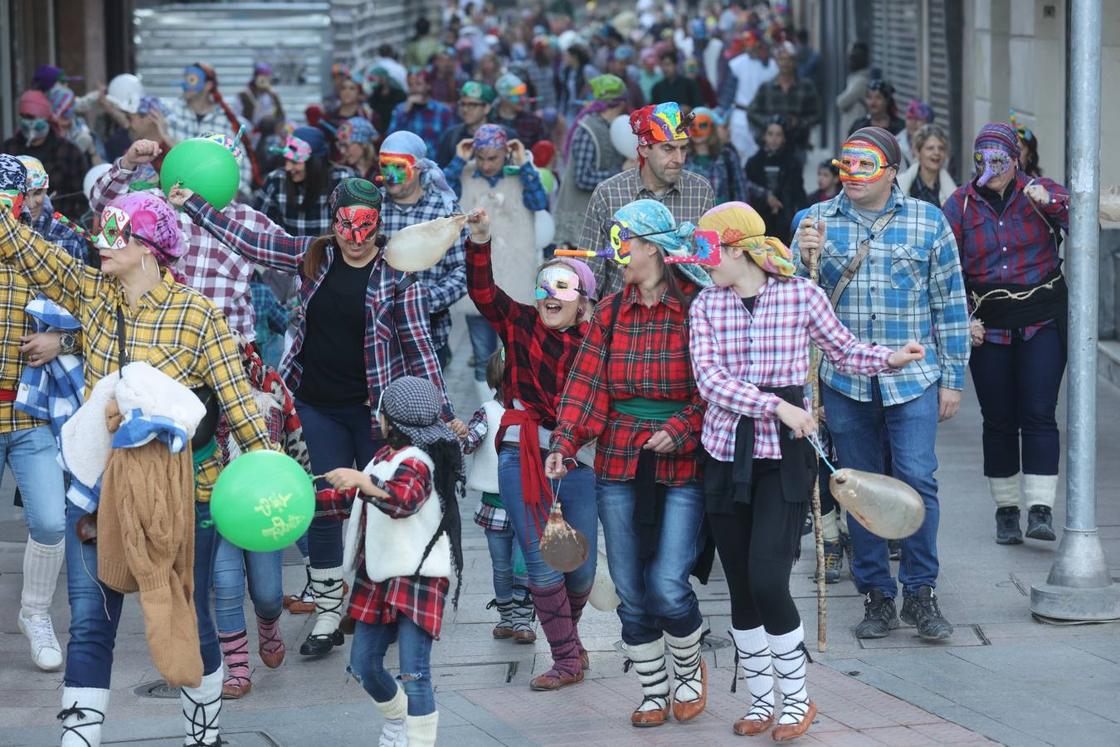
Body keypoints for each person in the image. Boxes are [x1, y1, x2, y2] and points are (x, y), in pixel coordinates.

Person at [2, 187, 271, 746]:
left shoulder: (198, 315)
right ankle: (78, 740)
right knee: (90, 623)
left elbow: (241, 405)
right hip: (99, 495)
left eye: (113, 234)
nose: (100, 242)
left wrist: (272, 476)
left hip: (186, 498)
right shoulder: (92, 293)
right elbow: (28, 249)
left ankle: (205, 735)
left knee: (189, 620)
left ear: (148, 248)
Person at [169, 177, 462, 659]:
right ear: (334, 221)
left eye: (364, 226)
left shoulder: (399, 276)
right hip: (313, 401)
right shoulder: (315, 256)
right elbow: (255, 242)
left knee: (378, 503)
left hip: (374, 412)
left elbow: (420, 350)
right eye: (345, 224)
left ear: (378, 225)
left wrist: (441, 414)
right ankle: (328, 611)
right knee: (321, 503)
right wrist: (195, 204)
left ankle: (379, 602)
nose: (353, 235)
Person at [691, 200, 925, 741]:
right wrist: (776, 405)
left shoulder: (800, 294)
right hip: (725, 453)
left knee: (770, 576)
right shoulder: (705, 305)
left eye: (709, 251)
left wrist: (890, 358)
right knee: (742, 587)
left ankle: (795, 700)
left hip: (785, 458)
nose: (703, 263)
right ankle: (758, 699)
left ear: (738, 248)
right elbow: (710, 382)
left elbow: (842, 350)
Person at [792, 127, 970, 643]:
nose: (851, 176)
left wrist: (952, 380)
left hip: (912, 378)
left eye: (864, 166)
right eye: (845, 165)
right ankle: (876, 595)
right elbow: (793, 305)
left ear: (892, 170)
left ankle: (920, 590)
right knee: (858, 487)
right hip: (844, 380)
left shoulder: (928, 221)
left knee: (919, 479)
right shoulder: (814, 221)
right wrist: (803, 259)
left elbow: (950, 305)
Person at [547, 199, 709, 728]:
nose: (619, 254)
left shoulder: (697, 309)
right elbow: (585, 386)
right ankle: (653, 690)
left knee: (667, 582)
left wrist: (681, 428)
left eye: (628, 244)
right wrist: (563, 444)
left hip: (682, 462)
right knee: (630, 588)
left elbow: (716, 387)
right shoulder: (611, 313)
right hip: (618, 460)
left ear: (654, 250)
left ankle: (688, 670)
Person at [467, 209, 601, 693]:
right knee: (542, 561)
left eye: (562, 289)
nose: (549, 297)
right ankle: (565, 657)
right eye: (544, 286)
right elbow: (483, 294)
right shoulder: (520, 323)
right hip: (520, 452)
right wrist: (479, 242)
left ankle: (571, 638)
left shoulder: (598, 340)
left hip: (581, 461)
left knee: (581, 568)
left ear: (584, 302)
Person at [941, 122, 1069, 545]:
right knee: (998, 419)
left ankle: (1041, 509)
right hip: (988, 324)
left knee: (1038, 411)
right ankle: (1007, 511)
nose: (990, 167)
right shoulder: (959, 205)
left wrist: (1050, 203)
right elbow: (945, 270)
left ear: (1016, 160)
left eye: (998, 159)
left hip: (1041, 319)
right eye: (982, 159)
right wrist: (963, 320)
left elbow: (1080, 220)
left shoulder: (1039, 191)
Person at [320, 376, 464, 747]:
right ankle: (399, 720)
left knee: (415, 673)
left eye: (379, 412)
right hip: (379, 576)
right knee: (364, 665)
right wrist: (299, 504)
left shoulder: (417, 461)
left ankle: (417, 740)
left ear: (389, 420)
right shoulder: (383, 458)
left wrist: (363, 482)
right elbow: (352, 501)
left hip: (419, 577)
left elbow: (403, 500)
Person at [0, 156, 72, 676]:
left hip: (28, 415)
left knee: (50, 520)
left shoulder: (40, 252)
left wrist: (60, 338)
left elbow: (96, 311)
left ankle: (35, 613)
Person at [445, 125, 548, 400]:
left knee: (515, 352)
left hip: (514, 279)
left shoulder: (521, 176)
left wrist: (524, 164)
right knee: (481, 356)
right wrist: (458, 159)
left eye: (494, 158)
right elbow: (442, 195)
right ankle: (488, 417)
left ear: (505, 153)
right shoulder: (464, 175)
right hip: (478, 277)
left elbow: (539, 201)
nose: (487, 164)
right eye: (480, 157)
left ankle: (514, 410)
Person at [580, 102, 716, 298]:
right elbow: (590, 274)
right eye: (668, 149)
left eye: (683, 149)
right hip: (621, 318)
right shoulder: (609, 193)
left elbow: (709, 266)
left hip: (682, 317)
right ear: (644, 149)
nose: (679, 159)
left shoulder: (700, 190)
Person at [461, 349, 534, 645]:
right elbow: (470, 441)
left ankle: (523, 618)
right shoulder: (488, 412)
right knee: (501, 565)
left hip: (527, 505)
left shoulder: (534, 412)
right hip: (495, 507)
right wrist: (458, 433)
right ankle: (506, 615)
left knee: (523, 564)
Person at [377, 130, 469, 366]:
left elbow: (463, 269)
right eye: (384, 166)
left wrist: (427, 301)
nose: (391, 175)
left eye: (399, 167)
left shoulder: (444, 210)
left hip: (427, 336)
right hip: (375, 337)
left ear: (418, 167)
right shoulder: (371, 207)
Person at [554, 74, 630, 248]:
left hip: (598, 220)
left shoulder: (609, 127)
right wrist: (620, 171)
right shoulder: (588, 131)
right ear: (620, 103)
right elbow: (582, 178)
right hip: (581, 222)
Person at [161, 63, 257, 192]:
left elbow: (242, 166)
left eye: (192, 79)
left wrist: (233, 194)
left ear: (208, 86)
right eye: (185, 79)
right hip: (176, 193)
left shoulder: (225, 121)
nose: (185, 84)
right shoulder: (170, 113)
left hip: (214, 198)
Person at [255, 126, 356, 237]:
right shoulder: (277, 180)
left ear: (315, 162)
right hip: (289, 253)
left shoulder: (343, 180)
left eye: (295, 162)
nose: (288, 168)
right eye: (287, 160)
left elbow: (356, 226)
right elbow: (257, 225)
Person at [3, 90, 88, 220]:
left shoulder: (70, 152)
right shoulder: (7, 150)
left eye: (33, 117)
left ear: (47, 118)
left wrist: (69, 225)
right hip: (14, 228)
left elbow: (82, 198)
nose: (29, 122)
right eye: (25, 117)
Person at [746, 41, 822, 158]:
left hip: (797, 144)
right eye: (782, 59)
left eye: (789, 59)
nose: (785, 63)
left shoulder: (806, 86)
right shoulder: (766, 87)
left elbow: (817, 114)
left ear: (795, 62)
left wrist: (800, 123)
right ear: (776, 62)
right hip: (771, 146)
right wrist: (769, 122)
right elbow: (752, 112)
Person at [16, 155, 91, 262]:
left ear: (46, 191)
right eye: (23, 195)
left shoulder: (68, 235)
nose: (31, 204)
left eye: (38, 193)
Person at [744, 116, 805, 245]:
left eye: (778, 135)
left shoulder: (792, 163)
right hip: (758, 220)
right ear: (764, 136)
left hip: (785, 221)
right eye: (770, 134)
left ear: (784, 139)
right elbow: (746, 187)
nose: (774, 139)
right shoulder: (753, 162)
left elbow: (798, 192)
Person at [724, 33, 777, 165]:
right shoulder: (736, 64)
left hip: (762, 116)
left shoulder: (772, 65)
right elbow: (728, 92)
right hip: (740, 115)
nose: (752, 48)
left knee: (760, 153)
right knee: (739, 154)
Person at [435, 81, 510, 168]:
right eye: (462, 104)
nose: (465, 109)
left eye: (472, 105)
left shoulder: (504, 135)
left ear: (487, 108)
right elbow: (441, 174)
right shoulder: (451, 136)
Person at [684, 107, 750, 205]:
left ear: (712, 128)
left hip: (723, 216)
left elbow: (740, 188)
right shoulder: (682, 157)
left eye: (703, 125)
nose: (697, 130)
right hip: (691, 216)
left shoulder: (727, 155)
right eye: (692, 125)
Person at [387, 70, 456, 160]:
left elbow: (451, 141)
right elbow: (390, 140)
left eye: (418, 84)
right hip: (407, 166)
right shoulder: (400, 109)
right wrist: (405, 113)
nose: (414, 88)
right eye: (411, 85)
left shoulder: (442, 111)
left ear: (428, 86)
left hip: (435, 165)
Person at [897, 124, 957, 207]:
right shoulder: (899, 185)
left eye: (941, 148)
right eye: (930, 148)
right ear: (917, 152)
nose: (937, 153)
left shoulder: (955, 191)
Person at [491, 73, 547, 149]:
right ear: (503, 97)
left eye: (523, 95)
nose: (522, 99)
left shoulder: (534, 122)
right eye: (516, 96)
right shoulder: (490, 120)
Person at [237, 62, 285, 130]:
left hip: (270, 133)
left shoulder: (273, 96)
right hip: (249, 133)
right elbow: (238, 117)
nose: (263, 81)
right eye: (261, 77)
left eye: (266, 78)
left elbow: (281, 116)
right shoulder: (243, 96)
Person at [835, 42, 871, 127]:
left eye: (853, 59)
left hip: (856, 125)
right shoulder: (854, 78)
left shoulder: (861, 81)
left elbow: (842, 102)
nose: (849, 62)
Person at [336, 116, 380, 180]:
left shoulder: (381, 170)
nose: (342, 151)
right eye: (340, 145)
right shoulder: (338, 172)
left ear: (363, 144)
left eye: (346, 145)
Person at [366, 66, 407, 135]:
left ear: (383, 78)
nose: (372, 81)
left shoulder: (399, 95)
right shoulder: (374, 95)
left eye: (374, 78)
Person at [897, 99, 935, 169]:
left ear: (928, 122)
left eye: (918, 119)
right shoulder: (895, 144)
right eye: (910, 118)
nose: (913, 123)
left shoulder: (938, 146)